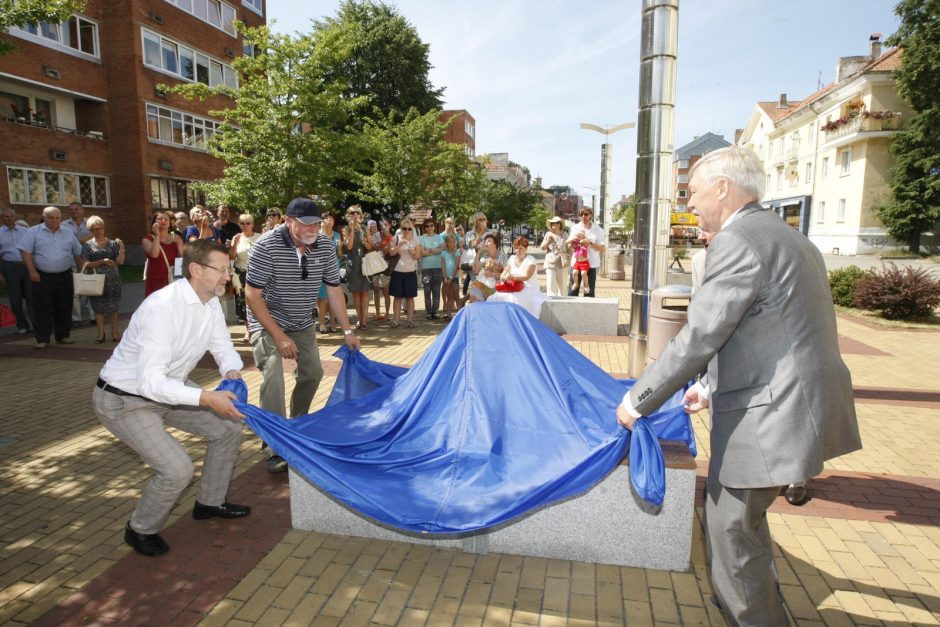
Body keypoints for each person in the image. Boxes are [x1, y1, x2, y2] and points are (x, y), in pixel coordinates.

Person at [616, 146, 861, 626]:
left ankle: (750, 614)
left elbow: (702, 333)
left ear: (724, 188)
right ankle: (752, 604)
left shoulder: (739, 240)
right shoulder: (786, 236)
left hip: (772, 414)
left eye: (692, 192)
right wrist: (708, 387)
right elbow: (765, 325)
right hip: (793, 403)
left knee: (730, 527)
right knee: (742, 525)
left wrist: (637, 400)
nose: (690, 204)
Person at [93, 239, 250, 557]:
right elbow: (150, 382)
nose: (226, 275)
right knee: (177, 470)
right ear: (195, 269)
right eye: (221, 269)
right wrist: (206, 397)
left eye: (228, 268)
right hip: (125, 400)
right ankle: (140, 530)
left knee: (228, 429)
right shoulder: (163, 307)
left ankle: (209, 502)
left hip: (170, 389)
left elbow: (222, 347)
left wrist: (231, 371)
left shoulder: (210, 304)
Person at [245, 197, 361, 473]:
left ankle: (295, 426)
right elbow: (252, 295)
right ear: (288, 221)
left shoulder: (323, 245)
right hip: (266, 320)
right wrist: (278, 336)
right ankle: (274, 443)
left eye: (316, 224)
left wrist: (347, 331)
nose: (312, 229)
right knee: (273, 373)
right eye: (305, 224)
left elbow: (333, 289)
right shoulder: (265, 246)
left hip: (301, 320)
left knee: (313, 373)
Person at [18, 206, 83, 349]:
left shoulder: (68, 232)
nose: (54, 221)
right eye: (51, 218)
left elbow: (77, 252)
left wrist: (80, 271)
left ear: (60, 218)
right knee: (42, 308)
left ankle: (63, 336)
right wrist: (32, 271)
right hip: (42, 276)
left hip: (65, 275)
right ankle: (43, 338)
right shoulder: (33, 232)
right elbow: (25, 252)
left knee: (64, 306)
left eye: (57, 218)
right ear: (44, 217)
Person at [82, 216, 125, 343]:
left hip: (113, 280)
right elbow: (86, 264)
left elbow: (120, 261)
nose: (98, 231)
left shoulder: (112, 243)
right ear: (91, 230)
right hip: (95, 280)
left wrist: (121, 246)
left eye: (100, 228)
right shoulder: (87, 245)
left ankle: (115, 331)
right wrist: (103, 261)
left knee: (113, 307)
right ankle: (100, 334)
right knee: (98, 307)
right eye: (95, 229)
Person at [489, 236, 546, 318]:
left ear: (526, 249)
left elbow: (526, 277)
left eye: (520, 248)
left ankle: (515, 319)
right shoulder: (512, 258)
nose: (518, 250)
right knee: (497, 296)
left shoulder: (530, 260)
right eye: (516, 248)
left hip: (528, 287)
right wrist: (503, 275)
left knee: (514, 297)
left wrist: (512, 277)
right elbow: (506, 269)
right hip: (513, 286)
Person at [0, 207, 34, 334]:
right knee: (15, 300)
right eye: (6, 217)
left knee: (31, 297)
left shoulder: (25, 231)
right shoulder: (0, 233)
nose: (9, 219)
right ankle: (22, 326)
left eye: (11, 216)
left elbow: (33, 248)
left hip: (26, 265)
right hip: (10, 267)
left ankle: (36, 325)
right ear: (2, 219)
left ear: (15, 217)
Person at [387, 217, 423, 328]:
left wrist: (413, 253)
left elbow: (418, 256)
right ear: (401, 229)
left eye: (409, 229)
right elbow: (391, 253)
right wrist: (399, 245)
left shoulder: (415, 241)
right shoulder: (396, 238)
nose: (407, 231)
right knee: (397, 297)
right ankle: (396, 320)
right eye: (404, 228)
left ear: (412, 229)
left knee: (410, 298)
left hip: (410, 272)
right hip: (397, 271)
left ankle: (410, 320)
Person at [63, 202, 94, 325]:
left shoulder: (91, 223)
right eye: (71, 210)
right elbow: (66, 242)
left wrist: (75, 240)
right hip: (71, 261)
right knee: (75, 291)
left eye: (76, 209)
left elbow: (96, 237)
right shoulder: (64, 225)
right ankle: (76, 319)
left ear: (82, 210)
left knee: (91, 289)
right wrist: (85, 239)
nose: (74, 211)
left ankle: (94, 316)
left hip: (89, 260)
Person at [229, 213, 259, 341]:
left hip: (257, 273)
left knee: (257, 301)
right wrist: (234, 244)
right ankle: (247, 330)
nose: (245, 226)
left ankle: (258, 328)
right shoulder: (236, 237)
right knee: (243, 302)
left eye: (248, 223)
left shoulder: (260, 237)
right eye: (242, 223)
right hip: (241, 273)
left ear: (252, 224)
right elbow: (231, 257)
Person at [341, 205, 371, 329]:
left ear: (361, 215)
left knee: (364, 293)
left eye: (358, 212)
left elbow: (370, 247)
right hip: (352, 264)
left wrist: (365, 242)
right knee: (356, 294)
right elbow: (349, 247)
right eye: (353, 213)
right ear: (349, 215)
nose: (355, 215)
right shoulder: (345, 229)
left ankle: (364, 320)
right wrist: (352, 230)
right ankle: (359, 319)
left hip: (363, 263)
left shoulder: (365, 228)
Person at [142, 211, 184, 296]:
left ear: (170, 223)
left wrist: (179, 243)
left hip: (172, 279)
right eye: (160, 219)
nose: (163, 221)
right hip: (156, 280)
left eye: (166, 219)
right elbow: (154, 254)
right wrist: (157, 235)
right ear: (154, 222)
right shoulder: (148, 239)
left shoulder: (175, 238)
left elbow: (182, 259)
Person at [566, 207, 605, 297]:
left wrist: (590, 243)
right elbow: (569, 245)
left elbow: (602, 249)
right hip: (577, 263)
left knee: (589, 293)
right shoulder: (575, 228)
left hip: (591, 264)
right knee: (572, 292)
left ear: (591, 215)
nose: (584, 216)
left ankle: (588, 310)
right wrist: (573, 244)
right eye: (581, 215)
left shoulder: (598, 230)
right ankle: (571, 310)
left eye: (586, 214)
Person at [316, 210, 343, 334]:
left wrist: (339, 247)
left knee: (333, 298)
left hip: (333, 269)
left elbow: (340, 255)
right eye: (327, 218)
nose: (330, 220)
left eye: (331, 218)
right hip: (320, 270)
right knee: (322, 298)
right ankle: (322, 324)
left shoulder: (337, 235)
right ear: (322, 221)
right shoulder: (318, 235)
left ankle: (333, 323)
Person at [467, 233, 507, 303]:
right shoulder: (485, 257)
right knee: (474, 295)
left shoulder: (502, 256)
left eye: (489, 241)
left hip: (497, 288)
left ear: (495, 244)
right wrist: (479, 253)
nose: (486, 243)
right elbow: (476, 271)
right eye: (485, 241)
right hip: (485, 285)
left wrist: (492, 274)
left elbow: (506, 275)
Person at [418, 219, 444, 320]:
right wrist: (435, 251)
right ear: (425, 228)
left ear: (434, 226)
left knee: (437, 290)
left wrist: (428, 249)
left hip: (438, 267)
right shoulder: (421, 238)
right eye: (427, 226)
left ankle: (436, 311)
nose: (429, 227)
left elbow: (442, 249)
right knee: (427, 290)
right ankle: (428, 311)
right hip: (426, 268)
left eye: (431, 225)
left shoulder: (439, 237)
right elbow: (422, 252)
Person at [369, 219, 392, 321]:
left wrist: (380, 246)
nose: (384, 226)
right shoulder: (374, 235)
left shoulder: (389, 236)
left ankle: (387, 313)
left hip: (385, 265)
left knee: (386, 290)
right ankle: (378, 313)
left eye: (386, 225)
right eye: (382, 225)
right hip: (374, 265)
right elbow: (370, 248)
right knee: (376, 290)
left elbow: (387, 249)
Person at [540, 216, 569, 297]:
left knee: (562, 285)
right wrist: (549, 240)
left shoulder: (564, 234)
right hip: (550, 261)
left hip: (562, 262)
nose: (554, 224)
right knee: (550, 283)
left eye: (556, 223)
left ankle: (563, 303)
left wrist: (569, 258)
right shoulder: (548, 234)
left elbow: (569, 247)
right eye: (553, 223)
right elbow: (542, 247)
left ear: (560, 225)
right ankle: (552, 301)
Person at [440, 233, 460, 320]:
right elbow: (443, 266)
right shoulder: (443, 253)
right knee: (449, 297)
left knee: (456, 296)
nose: (451, 243)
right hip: (446, 278)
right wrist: (445, 277)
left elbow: (456, 266)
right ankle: (449, 315)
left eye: (453, 242)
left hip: (454, 277)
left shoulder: (456, 252)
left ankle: (460, 314)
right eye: (449, 242)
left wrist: (451, 277)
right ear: (446, 243)